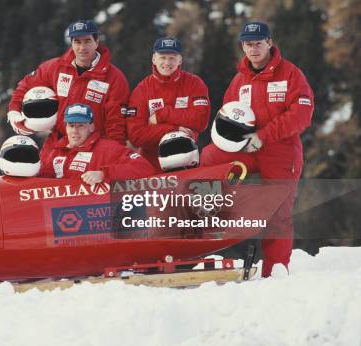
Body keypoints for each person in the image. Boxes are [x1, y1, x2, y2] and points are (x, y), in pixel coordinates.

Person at [201, 21, 314, 278]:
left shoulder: (291, 74)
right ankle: (212, 217)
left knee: (278, 212)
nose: (253, 49)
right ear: (243, 46)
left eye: (258, 43)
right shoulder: (240, 79)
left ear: (269, 43)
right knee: (208, 158)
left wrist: (264, 136)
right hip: (245, 147)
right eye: (248, 44)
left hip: (280, 150)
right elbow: (228, 112)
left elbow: (302, 115)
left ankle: (274, 271)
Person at [7, 20, 130, 149]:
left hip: (93, 149)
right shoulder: (55, 67)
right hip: (57, 144)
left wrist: (109, 158)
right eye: (77, 42)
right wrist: (14, 111)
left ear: (96, 42)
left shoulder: (114, 79)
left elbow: (116, 126)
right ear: (71, 43)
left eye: (87, 41)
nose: (82, 48)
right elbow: (26, 85)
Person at [126, 37, 210, 171]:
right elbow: (135, 135)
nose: (167, 62)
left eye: (172, 58)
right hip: (151, 164)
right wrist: (173, 129)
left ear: (180, 60)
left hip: (187, 160)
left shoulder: (194, 83)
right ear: (154, 58)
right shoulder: (141, 90)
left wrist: (161, 115)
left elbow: (201, 120)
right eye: (162, 57)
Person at [40, 104, 154, 185]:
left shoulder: (108, 149)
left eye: (81, 126)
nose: (75, 131)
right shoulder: (57, 151)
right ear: (66, 127)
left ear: (91, 127)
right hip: (59, 214)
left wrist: (103, 174)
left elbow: (144, 168)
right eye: (71, 125)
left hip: (94, 214)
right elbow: (41, 179)